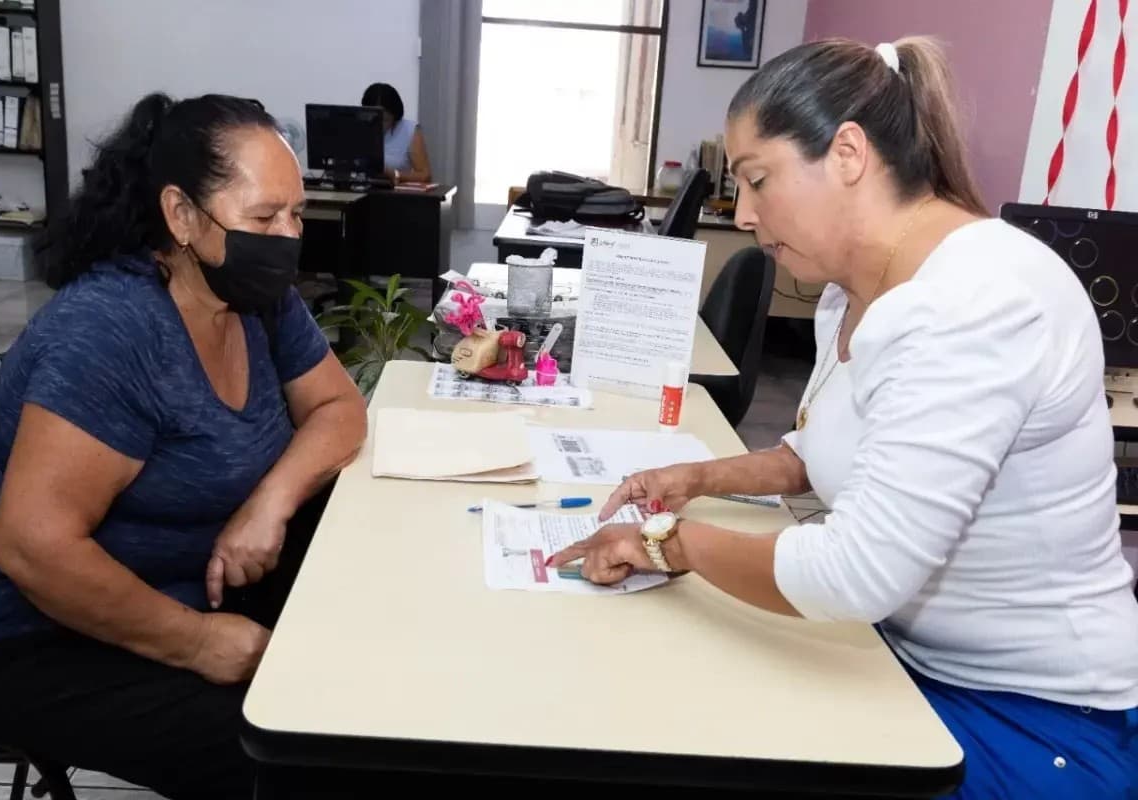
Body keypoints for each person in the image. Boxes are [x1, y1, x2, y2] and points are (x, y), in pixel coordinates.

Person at [550, 36, 1138, 798]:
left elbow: (857, 572)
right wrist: (696, 475)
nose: (750, 214)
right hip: (901, 661)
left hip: (1034, 717)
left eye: (759, 180)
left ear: (849, 153)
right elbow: (819, 448)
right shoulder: (850, 290)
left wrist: (669, 543)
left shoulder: (978, 303)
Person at [0, 92, 368, 799]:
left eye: (295, 214)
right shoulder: (112, 332)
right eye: (264, 217)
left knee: (353, 637)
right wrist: (199, 644)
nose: (288, 236)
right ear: (181, 216)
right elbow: (32, 549)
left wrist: (269, 503)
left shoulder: (256, 297)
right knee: (285, 748)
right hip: (16, 632)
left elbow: (339, 408)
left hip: (176, 574)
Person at [362, 81, 433, 184]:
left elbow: (425, 176)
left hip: (395, 194)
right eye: (375, 120)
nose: (379, 125)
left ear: (394, 116)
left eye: (385, 120)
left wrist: (395, 174)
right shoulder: (360, 127)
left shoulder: (409, 130)